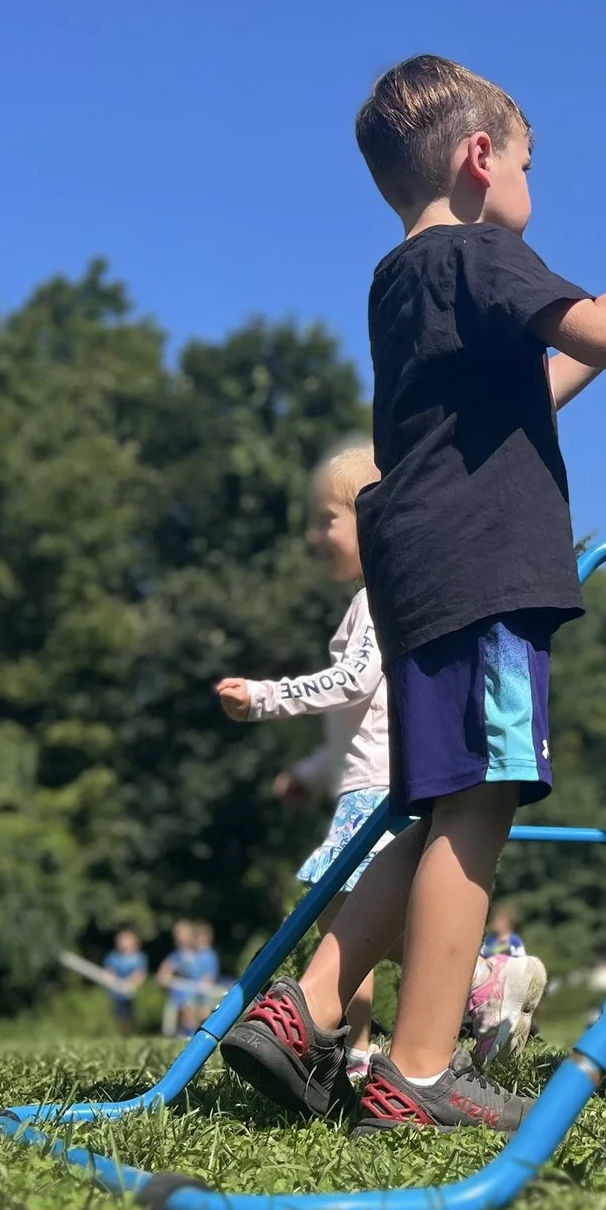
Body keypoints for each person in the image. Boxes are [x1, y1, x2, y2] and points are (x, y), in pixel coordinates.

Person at [294, 52, 606, 1133]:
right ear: (481, 159)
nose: (536, 190)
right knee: (482, 803)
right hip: (485, 568)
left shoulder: (405, 279)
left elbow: (534, 387)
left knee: (436, 800)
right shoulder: (485, 251)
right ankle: (420, 1070)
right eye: (531, 164)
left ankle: (302, 1011)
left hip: (423, 567)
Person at [216, 442, 401, 1113]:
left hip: (379, 795)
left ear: (374, 517)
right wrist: (310, 770)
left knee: (347, 928)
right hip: (366, 785)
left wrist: (264, 697)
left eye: (327, 518)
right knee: (347, 927)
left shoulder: (379, 598)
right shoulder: (370, 599)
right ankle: (357, 1046)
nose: (312, 534)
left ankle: (352, 1051)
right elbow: (366, 719)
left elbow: (352, 682)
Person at [465, 903, 546, 1066]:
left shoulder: (513, 940)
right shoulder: (493, 940)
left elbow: (519, 953)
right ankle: (484, 976)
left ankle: (483, 978)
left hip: (505, 970)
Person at [102, 927, 149, 1033]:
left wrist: (131, 983)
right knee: (116, 1016)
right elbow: (108, 972)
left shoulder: (139, 957)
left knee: (130, 1016)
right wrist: (111, 982)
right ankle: (117, 1033)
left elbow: (140, 974)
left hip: (132, 993)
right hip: (116, 993)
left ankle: (130, 1032)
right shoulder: (113, 957)